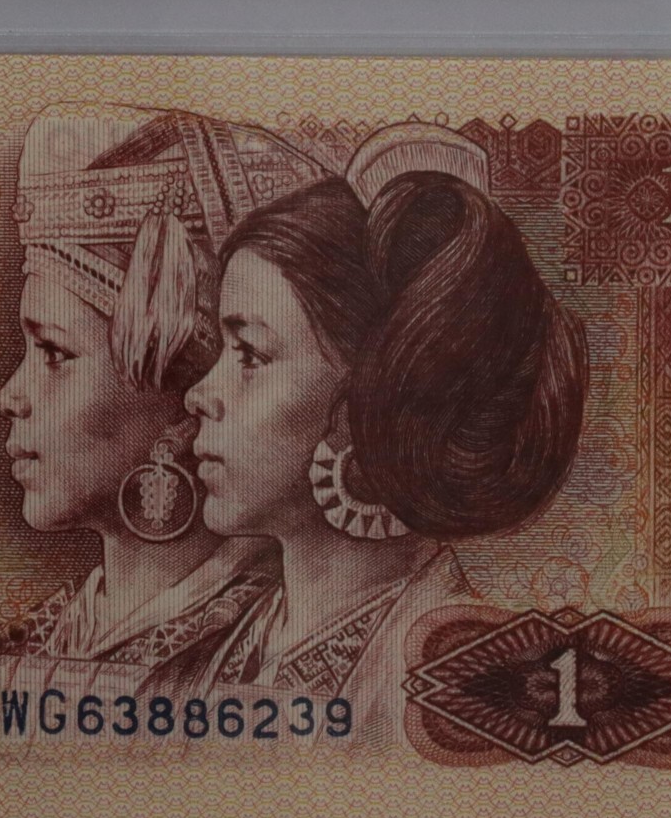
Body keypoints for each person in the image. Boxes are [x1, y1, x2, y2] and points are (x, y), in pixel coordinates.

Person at [0, 105, 327, 755]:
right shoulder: (12, 660)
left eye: (54, 352)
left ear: (184, 396)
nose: (9, 397)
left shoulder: (284, 659)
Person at [183, 124, 588, 742]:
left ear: (372, 399)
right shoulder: (211, 651)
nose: (198, 394)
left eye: (251, 355)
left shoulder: (468, 686)